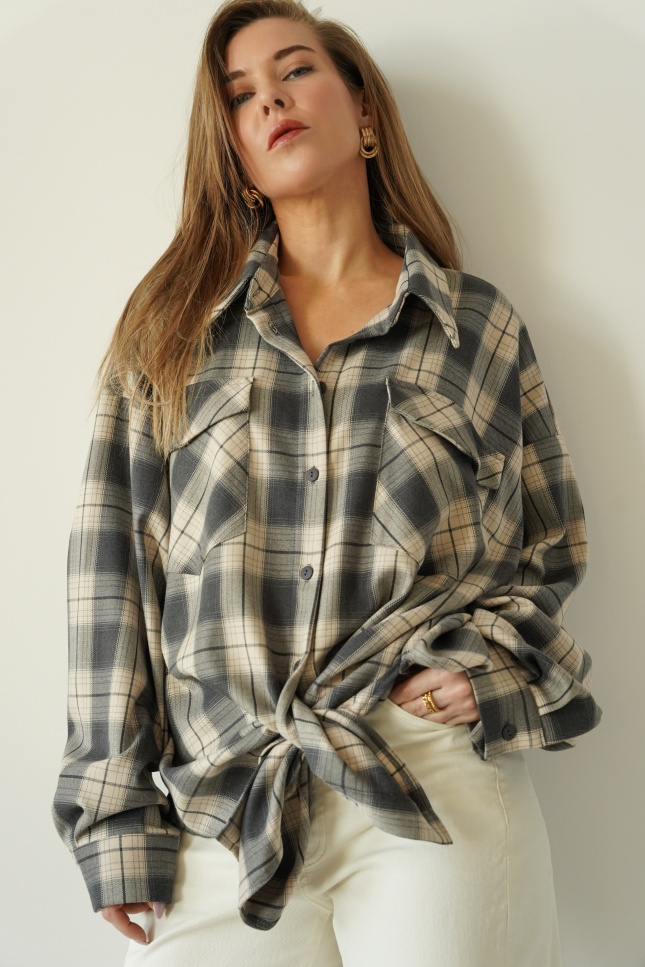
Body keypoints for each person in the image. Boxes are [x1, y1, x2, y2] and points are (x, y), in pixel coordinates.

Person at [52, 1, 602, 964]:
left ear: (365, 114)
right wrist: (113, 811)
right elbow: (113, 571)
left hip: (423, 776)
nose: (270, 99)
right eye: (239, 95)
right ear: (233, 152)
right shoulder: (172, 329)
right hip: (227, 792)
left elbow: (546, 547)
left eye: (295, 70)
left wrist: (482, 667)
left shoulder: (475, 328)